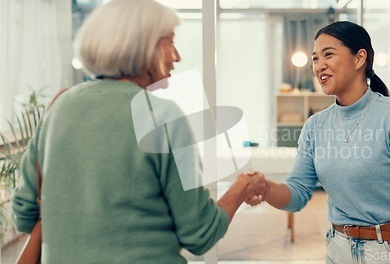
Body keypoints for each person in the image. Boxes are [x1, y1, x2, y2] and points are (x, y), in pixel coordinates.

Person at [12, 0, 267, 263]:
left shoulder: (58, 109)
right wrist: (241, 188)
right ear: (143, 46)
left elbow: (24, 215)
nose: (177, 56)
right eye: (170, 42)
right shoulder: (163, 116)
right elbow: (200, 234)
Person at [248, 21, 390, 264]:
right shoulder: (315, 126)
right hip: (339, 250)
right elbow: (297, 194)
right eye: (315, 58)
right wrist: (264, 188)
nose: (319, 65)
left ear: (359, 58)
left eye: (328, 54)